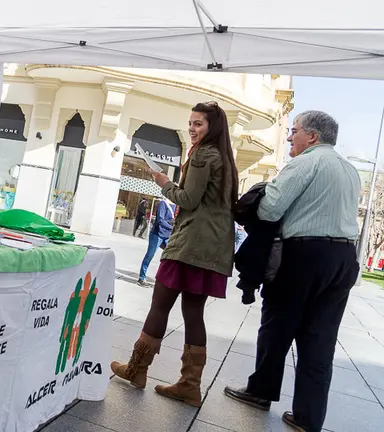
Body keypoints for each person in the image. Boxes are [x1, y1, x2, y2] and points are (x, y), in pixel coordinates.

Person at [224, 111, 360, 432]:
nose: (288, 137)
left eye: (294, 131)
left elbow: (271, 208)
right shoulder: (350, 170)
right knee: (320, 339)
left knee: (277, 325)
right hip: (343, 258)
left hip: (303, 254)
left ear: (311, 137)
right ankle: (307, 418)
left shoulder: (304, 163)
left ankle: (261, 391)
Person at [111, 101, 238, 408]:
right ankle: (189, 386)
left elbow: (188, 198)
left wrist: (164, 182)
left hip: (189, 246)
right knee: (194, 313)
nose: (192, 129)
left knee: (160, 305)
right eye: (191, 123)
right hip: (213, 248)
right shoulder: (224, 158)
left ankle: (137, 370)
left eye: (199, 124)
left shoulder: (203, 156)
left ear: (212, 128)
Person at [137, 198, 175, 286]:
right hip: (157, 234)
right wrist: (172, 228)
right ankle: (141, 278)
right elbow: (160, 220)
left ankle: (164, 278)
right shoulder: (163, 203)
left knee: (171, 256)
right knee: (149, 255)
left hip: (167, 235)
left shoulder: (175, 204)